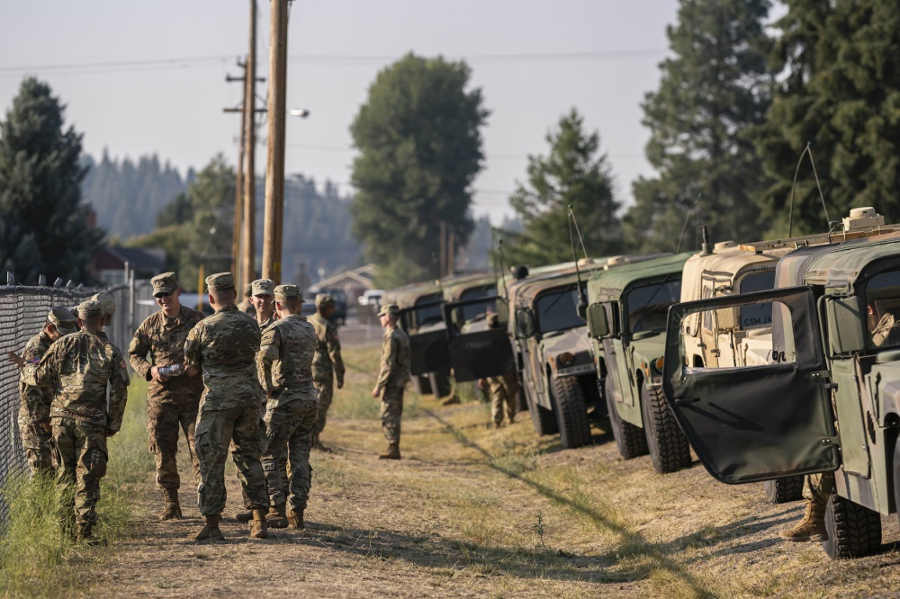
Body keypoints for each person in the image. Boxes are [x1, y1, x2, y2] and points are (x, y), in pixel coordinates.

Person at [8, 300, 129, 543]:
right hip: (91, 422)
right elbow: (119, 391)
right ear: (102, 320)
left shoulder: (62, 344)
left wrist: (23, 367)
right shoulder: (110, 350)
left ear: (79, 321)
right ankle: (83, 533)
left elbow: (40, 376)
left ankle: (62, 531)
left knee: (63, 474)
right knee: (88, 476)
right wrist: (113, 423)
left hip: (60, 421)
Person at [183, 272, 269, 542]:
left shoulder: (202, 328)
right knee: (249, 458)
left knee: (211, 461)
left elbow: (191, 367)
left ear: (210, 297)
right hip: (249, 401)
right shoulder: (252, 325)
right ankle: (259, 522)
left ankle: (212, 524)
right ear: (234, 293)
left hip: (218, 403)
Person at [128, 272, 205, 520]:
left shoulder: (197, 321)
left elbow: (213, 351)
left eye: (167, 294)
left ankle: (207, 503)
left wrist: (199, 366)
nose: (163, 299)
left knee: (201, 450)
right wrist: (150, 370)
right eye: (159, 296)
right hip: (161, 399)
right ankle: (171, 503)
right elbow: (134, 355)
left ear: (178, 292)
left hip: (194, 398)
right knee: (163, 452)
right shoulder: (149, 325)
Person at [257, 284, 319, 529]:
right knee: (301, 457)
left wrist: (267, 387)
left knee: (270, 453)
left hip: (285, 400)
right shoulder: (310, 328)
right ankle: (298, 511)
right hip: (309, 400)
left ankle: (277, 509)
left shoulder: (277, 328)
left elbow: (263, 358)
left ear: (278, 305)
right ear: (299, 304)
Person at [16, 306, 78, 474]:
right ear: (50, 328)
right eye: (62, 334)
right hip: (37, 423)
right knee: (42, 472)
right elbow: (30, 391)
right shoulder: (37, 349)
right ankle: (37, 501)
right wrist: (44, 421)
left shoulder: (54, 345)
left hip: (50, 419)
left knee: (54, 470)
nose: (65, 339)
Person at [371, 304, 411, 460]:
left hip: (393, 381)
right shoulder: (401, 334)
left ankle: (393, 448)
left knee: (388, 414)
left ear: (387, 317)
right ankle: (393, 446)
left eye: (382, 316)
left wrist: (378, 386)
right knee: (394, 412)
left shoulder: (392, 336)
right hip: (399, 380)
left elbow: (388, 364)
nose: (380, 319)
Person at [309, 293, 345, 452]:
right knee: (321, 403)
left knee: (308, 402)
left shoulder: (307, 321)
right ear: (327, 308)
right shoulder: (328, 327)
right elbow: (334, 353)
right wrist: (340, 374)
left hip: (306, 368)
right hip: (322, 371)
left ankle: (306, 436)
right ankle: (315, 438)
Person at [477, 314, 518, 429]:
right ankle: (509, 419)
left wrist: (483, 376)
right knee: (510, 395)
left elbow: (483, 358)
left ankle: (497, 421)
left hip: (493, 371)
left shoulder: (485, 337)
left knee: (497, 396)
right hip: (505, 370)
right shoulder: (503, 334)